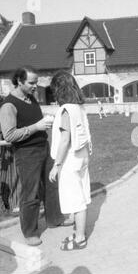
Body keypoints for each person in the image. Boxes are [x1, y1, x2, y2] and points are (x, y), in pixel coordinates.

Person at [0, 66, 71, 247]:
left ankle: (55, 219)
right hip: (26, 153)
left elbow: (33, 121)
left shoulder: (31, 99)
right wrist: (36, 127)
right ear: (19, 81)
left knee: (51, 185)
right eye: (31, 83)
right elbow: (9, 135)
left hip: (43, 148)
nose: (34, 86)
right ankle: (30, 232)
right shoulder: (8, 105)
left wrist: (45, 120)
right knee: (30, 194)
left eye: (36, 82)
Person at [48, 71, 92, 251]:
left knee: (76, 200)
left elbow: (65, 139)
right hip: (82, 156)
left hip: (70, 159)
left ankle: (80, 238)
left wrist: (56, 166)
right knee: (80, 194)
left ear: (58, 89)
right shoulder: (79, 107)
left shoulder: (66, 109)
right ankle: (78, 232)